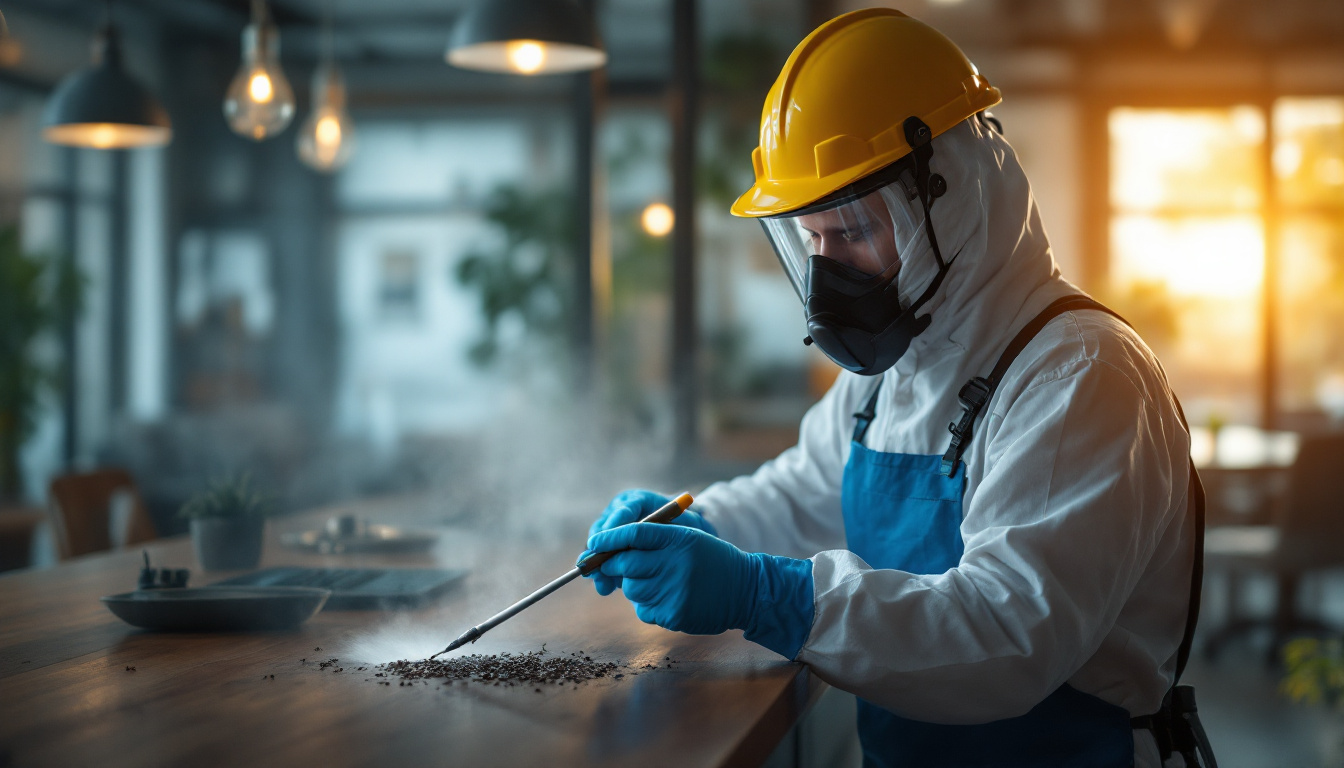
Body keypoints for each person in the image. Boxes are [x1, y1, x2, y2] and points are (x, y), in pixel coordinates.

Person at [580, 8, 1213, 768]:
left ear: (949, 198)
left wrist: (764, 596)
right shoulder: (892, 377)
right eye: (810, 240)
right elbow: (802, 496)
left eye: (851, 232)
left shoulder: (1081, 375)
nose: (827, 275)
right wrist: (696, 525)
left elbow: (1006, 637)